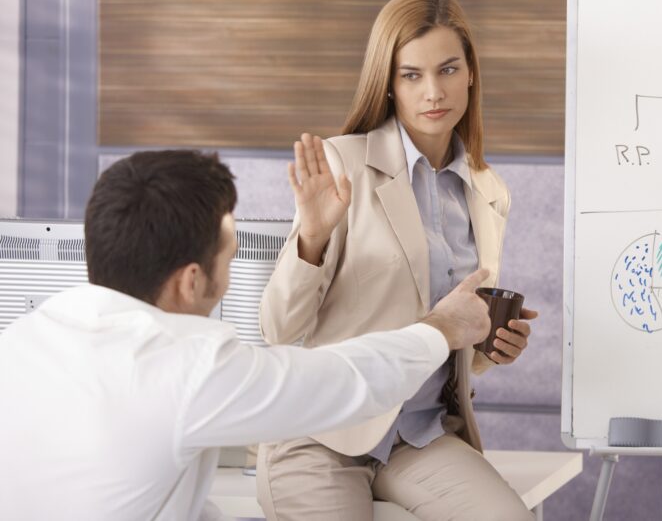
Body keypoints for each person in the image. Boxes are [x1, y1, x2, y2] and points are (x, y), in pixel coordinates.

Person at [0, 150, 494, 521]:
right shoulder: (187, 367)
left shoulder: (23, 338)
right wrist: (441, 327)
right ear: (191, 281)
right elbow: (345, 382)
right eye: (230, 257)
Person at [257, 0, 537, 520]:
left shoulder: (488, 190)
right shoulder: (344, 164)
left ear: (471, 74)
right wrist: (311, 239)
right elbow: (279, 328)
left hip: (419, 435)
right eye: (411, 75)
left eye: (448, 69)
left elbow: (451, 339)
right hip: (322, 435)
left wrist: (491, 346)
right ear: (388, 83)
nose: (433, 91)